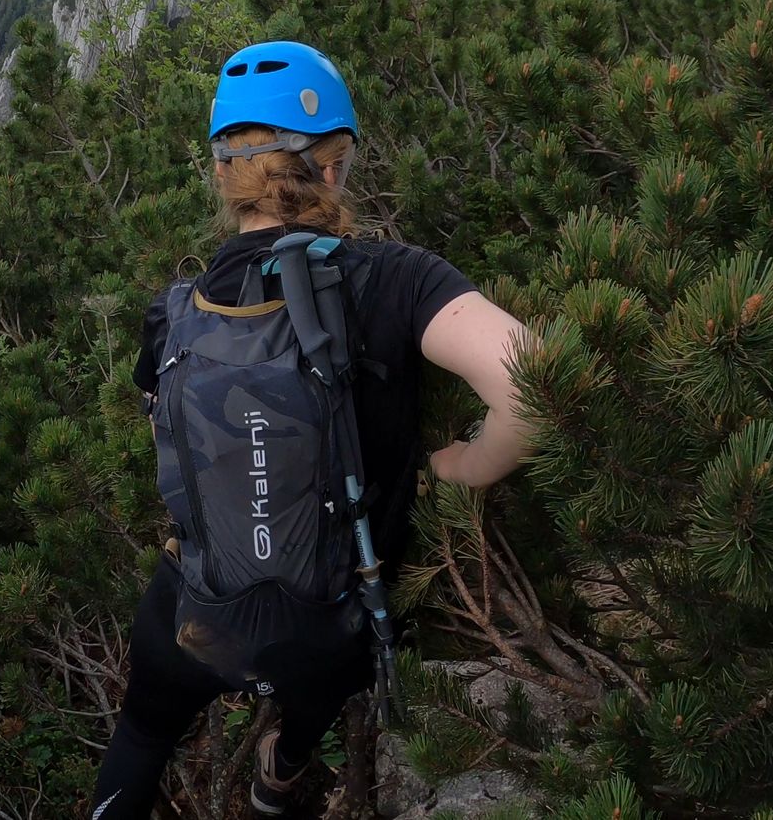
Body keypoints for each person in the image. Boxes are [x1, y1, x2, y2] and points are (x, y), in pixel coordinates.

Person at [87, 40, 535, 818]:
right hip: (329, 626)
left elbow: (169, 435)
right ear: (333, 167)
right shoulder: (396, 278)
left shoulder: (178, 309)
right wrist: (465, 466)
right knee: (324, 676)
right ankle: (281, 771)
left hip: (198, 611)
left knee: (141, 731)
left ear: (224, 173)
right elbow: (532, 376)